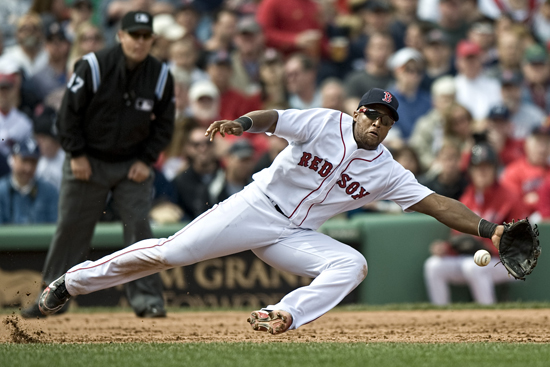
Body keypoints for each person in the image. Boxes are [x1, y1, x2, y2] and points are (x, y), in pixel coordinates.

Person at [37, 88, 509, 336]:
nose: (377, 124)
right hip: (258, 205)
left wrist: (492, 230)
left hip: (296, 233)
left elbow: (437, 204)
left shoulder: (386, 169)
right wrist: (242, 123)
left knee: (352, 264)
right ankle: (71, 282)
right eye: (371, 114)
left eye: (385, 121)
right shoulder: (327, 122)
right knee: (169, 253)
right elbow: (276, 119)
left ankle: (282, 314)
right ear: (358, 112)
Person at [21, 11, 174, 320]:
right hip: (87, 160)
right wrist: (76, 154)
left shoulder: (160, 75)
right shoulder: (92, 65)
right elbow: (67, 114)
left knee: (139, 230)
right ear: (120, 36)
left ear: (152, 40)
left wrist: (147, 160)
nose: (140, 41)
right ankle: (49, 299)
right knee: (71, 230)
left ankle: (147, 300)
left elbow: (165, 125)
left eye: (146, 36)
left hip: (132, 165)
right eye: (134, 34)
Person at [424, 143, 525, 305]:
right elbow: (458, 235)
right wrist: (447, 248)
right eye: (477, 167)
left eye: (487, 166)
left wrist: (486, 246)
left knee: (474, 266)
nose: (482, 171)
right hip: (475, 260)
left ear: (495, 168)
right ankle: (440, 319)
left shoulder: (510, 196)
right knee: (434, 266)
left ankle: (488, 317)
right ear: (470, 171)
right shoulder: (468, 197)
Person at [0, 137, 59, 224]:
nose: (28, 168)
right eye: (24, 160)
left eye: (33, 162)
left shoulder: (50, 191)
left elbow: (55, 226)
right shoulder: (2, 191)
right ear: (13, 159)